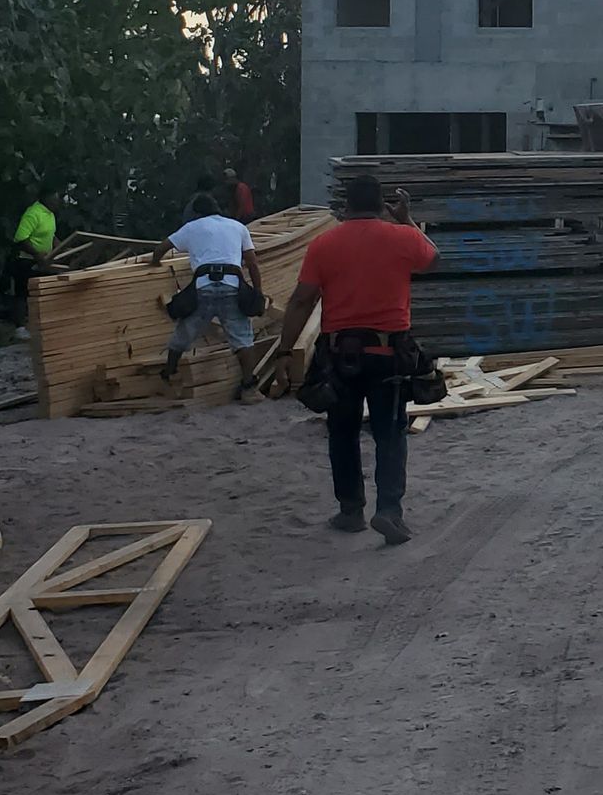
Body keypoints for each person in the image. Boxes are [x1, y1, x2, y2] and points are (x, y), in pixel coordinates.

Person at [275, 179, 437, 546]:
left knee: (343, 432)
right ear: (382, 205)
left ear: (346, 207)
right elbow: (434, 258)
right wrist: (407, 221)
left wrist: (285, 352)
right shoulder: (402, 238)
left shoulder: (324, 244)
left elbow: (301, 301)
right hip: (389, 355)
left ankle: (351, 511)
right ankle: (389, 512)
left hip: (340, 357)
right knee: (390, 434)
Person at [153, 192, 264, 386]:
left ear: (197, 213)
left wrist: (154, 263)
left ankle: (169, 373)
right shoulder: (238, 227)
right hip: (232, 286)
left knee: (183, 333)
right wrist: (258, 292)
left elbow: (161, 249)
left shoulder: (191, 227)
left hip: (203, 287)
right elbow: (252, 263)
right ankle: (249, 386)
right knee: (242, 338)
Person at [5, 185, 58, 305]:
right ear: (46, 199)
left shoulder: (50, 214)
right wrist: (36, 254)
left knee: (41, 292)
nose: (57, 203)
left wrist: (62, 248)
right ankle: (20, 324)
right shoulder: (33, 213)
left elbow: (51, 235)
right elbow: (21, 238)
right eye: (55, 200)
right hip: (27, 260)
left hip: (44, 260)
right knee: (23, 294)